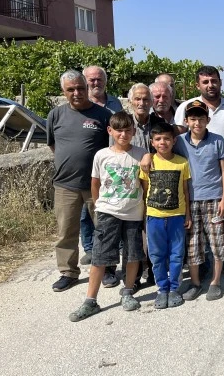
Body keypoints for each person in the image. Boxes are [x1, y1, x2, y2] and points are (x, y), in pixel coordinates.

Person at [69, 112, 147, 321]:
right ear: (110, 131)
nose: (123, 134)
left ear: (134, 131)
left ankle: (128, 291)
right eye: (118, 130)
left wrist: (145, 209)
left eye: (128, 130)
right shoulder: (102, 155)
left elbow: (144, 185)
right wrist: (99, 206)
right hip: (107, 212)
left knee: (132, 255)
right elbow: (95, 183)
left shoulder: (141, 154)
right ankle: (90, 300)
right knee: (100, 256)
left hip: (133, 213)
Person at [174, 66, 224, 279]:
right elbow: (175, 139)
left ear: (220, 82)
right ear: (198, 85)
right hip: (194, 181)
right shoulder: (186, 107)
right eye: (205, 82)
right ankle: (202, 264)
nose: (210, 85)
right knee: (197, 229)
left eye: (214, 81)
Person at [47, 70, 112, 292]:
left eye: (80, 88)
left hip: (98, 184)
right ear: (63, 92)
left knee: (104, 228)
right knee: (66, 231)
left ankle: (108, 268)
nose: (77, 93)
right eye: (71, 89)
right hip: (65, 184)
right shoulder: (55, 115)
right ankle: (68, 272)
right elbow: (53, 145)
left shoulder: (104, 115)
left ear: (87, 87)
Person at [176, 100, 224, 301]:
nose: (197, 123)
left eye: (201, 118)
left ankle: (215, 282)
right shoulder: (180, 141)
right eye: (193, 119)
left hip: (214, 199)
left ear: (208, 120)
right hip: (191, 201)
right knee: (193, 243)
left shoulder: (217, 140)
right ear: (186, 121)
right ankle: (195, 283)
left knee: (217, 242)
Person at [139, 122, 192, 309]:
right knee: (156, 254)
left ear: (174, 140)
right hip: (154, 217)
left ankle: (174, 288)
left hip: (177, 216)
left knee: (177, 254)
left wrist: (188, 215)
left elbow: (185, 191)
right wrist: (145, 217)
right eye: (158, 139)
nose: (163, 142)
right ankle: (162, 288)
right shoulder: (148, 163)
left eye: (167, 138)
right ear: (152, 142)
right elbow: (145, 191)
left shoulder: (182, 162)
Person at [79, 65, 123, 269]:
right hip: (87, 167)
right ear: (85, 81)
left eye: (99, 79)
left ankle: (112, 246)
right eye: (92, 80)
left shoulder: (116, 104)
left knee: (110, 208)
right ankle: (89, 249)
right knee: (85, 213)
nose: (95, 83)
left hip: (113, 166)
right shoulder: (81, 104)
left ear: (105, 81)